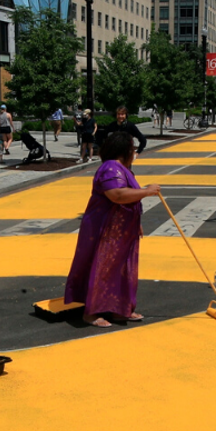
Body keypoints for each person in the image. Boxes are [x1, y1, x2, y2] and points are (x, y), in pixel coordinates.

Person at [64, 133, 160, 328]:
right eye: (132, 150)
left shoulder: (123, 169)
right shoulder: (110, 168)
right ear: (124, 151)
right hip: (106, 229)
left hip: (123, 230)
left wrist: (136, 222)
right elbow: (117, 194)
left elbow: (128, 199)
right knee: (103, 268)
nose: (134, 154)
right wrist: (147, 191)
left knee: (122, 269)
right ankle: (91, 313)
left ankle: (119, 308)